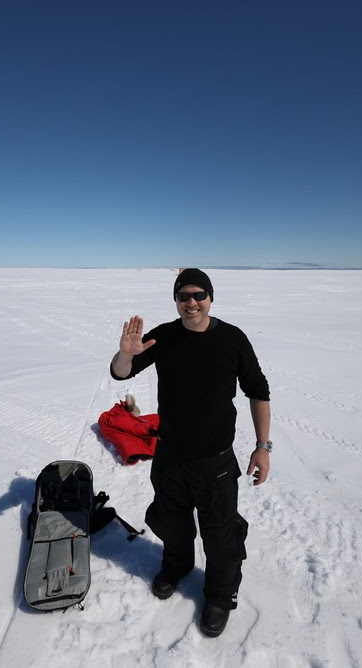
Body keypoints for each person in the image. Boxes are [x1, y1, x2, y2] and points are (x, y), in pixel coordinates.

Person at [109, 268, 271, 638]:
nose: (192, 302)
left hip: (214, 460)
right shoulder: (164, 337)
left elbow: (258, 390)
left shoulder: (232, 339)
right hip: (169, 457)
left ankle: (219, 593)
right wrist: (124, 354)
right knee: (171, 521)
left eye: (199, 295)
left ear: (210, 297)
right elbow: (122, 373)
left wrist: (262, 447)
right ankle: (177, 565)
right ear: (176, 301)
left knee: (221, 535)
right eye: (184, 296)